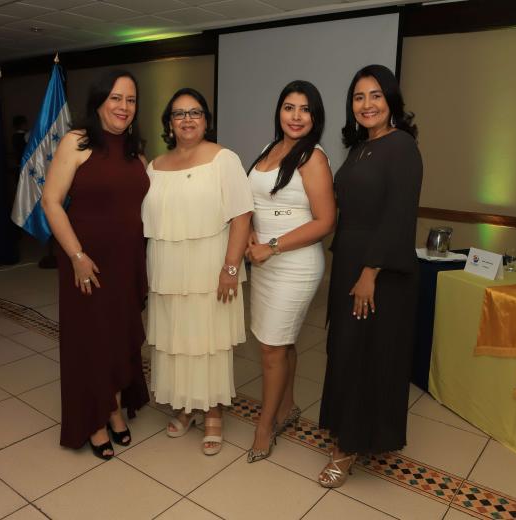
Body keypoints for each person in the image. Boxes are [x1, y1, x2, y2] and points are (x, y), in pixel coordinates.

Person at [318, 64, 423, 488]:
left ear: (391, 99)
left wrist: (370, 271)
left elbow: (399, 215)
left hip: (378, 270)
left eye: (375, 95)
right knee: (348, 350)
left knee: (365, 354)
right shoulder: (361, 147)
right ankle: (353, 432)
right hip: (351, 259)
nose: (367, 105)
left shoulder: (402, 147)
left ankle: (348, 448)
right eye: (359, 97)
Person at [41, 70, 149, 459]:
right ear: (100, 102)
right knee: (92, 341)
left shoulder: (137, 149)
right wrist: (76, 256)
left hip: (128, 261)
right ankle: (95, 419)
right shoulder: (77, 141)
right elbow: (51, 202)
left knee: (119, 338)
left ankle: (114, 407)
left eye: (131, 100)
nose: (123, 107)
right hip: (87, 260)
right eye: (116, 98)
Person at [142, 88, 253, 455]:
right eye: (179, 114)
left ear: (206, 119)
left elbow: (241, 216)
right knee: (176, 340)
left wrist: (230, 268)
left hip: (210, 267)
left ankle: (213, 413)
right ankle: (186, 406)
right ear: (169, 124)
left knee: (207, 342)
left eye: (195, 112)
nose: (187, 119)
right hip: (168, 270)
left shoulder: (224, 159)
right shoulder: (155, 166)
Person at [244, 80, 335, 462]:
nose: (295, 116)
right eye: (289, 107)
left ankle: (265, 426)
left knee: (271, 347)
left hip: (294, 264)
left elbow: (326, 220)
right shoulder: (269, 149)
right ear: (279, 111)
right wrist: (251, 235)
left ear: (315, 117)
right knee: (281, 341)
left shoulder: (312, 157)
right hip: (263, 260)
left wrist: (273, 246)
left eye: (304, 109)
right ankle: (287, 406)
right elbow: (255, 202)